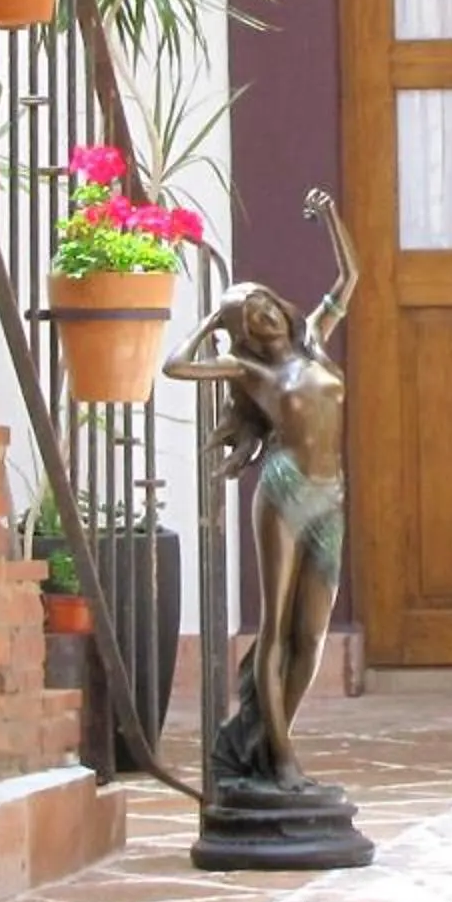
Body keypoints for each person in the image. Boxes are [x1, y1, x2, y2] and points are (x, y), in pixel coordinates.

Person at [162, 188, 357, 792]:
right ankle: (282, 758)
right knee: (276, 627)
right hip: (284, 489)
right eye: (248, 313)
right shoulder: (252, 371)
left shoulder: (315, 341)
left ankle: (269, 742)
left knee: (313, 632)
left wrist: (327, 216)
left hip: (331, 495)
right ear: (240, 331)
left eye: (264, 302)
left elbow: (351, 274)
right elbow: (176, 366)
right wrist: (210, 320)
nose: (264, 314)